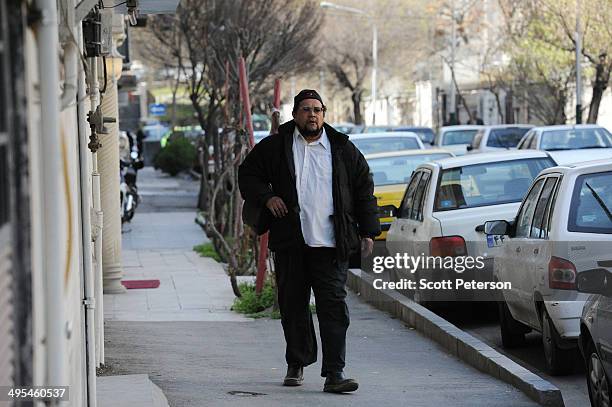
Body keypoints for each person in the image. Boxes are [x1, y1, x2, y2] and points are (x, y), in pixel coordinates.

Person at [238, 89, 380, 393]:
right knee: (293, 306)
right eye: (305, 109)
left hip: (331, 244)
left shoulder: (342, 148)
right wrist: (267, 197)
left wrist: (368, 231)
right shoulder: (276, 146)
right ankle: (297, 361)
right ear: (295, 114)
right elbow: (248, 174)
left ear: (324, 114)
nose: (312, 115)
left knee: (334, 306)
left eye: (317, 109)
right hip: (291, 243)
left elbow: (363, 189)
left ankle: (334, 374)